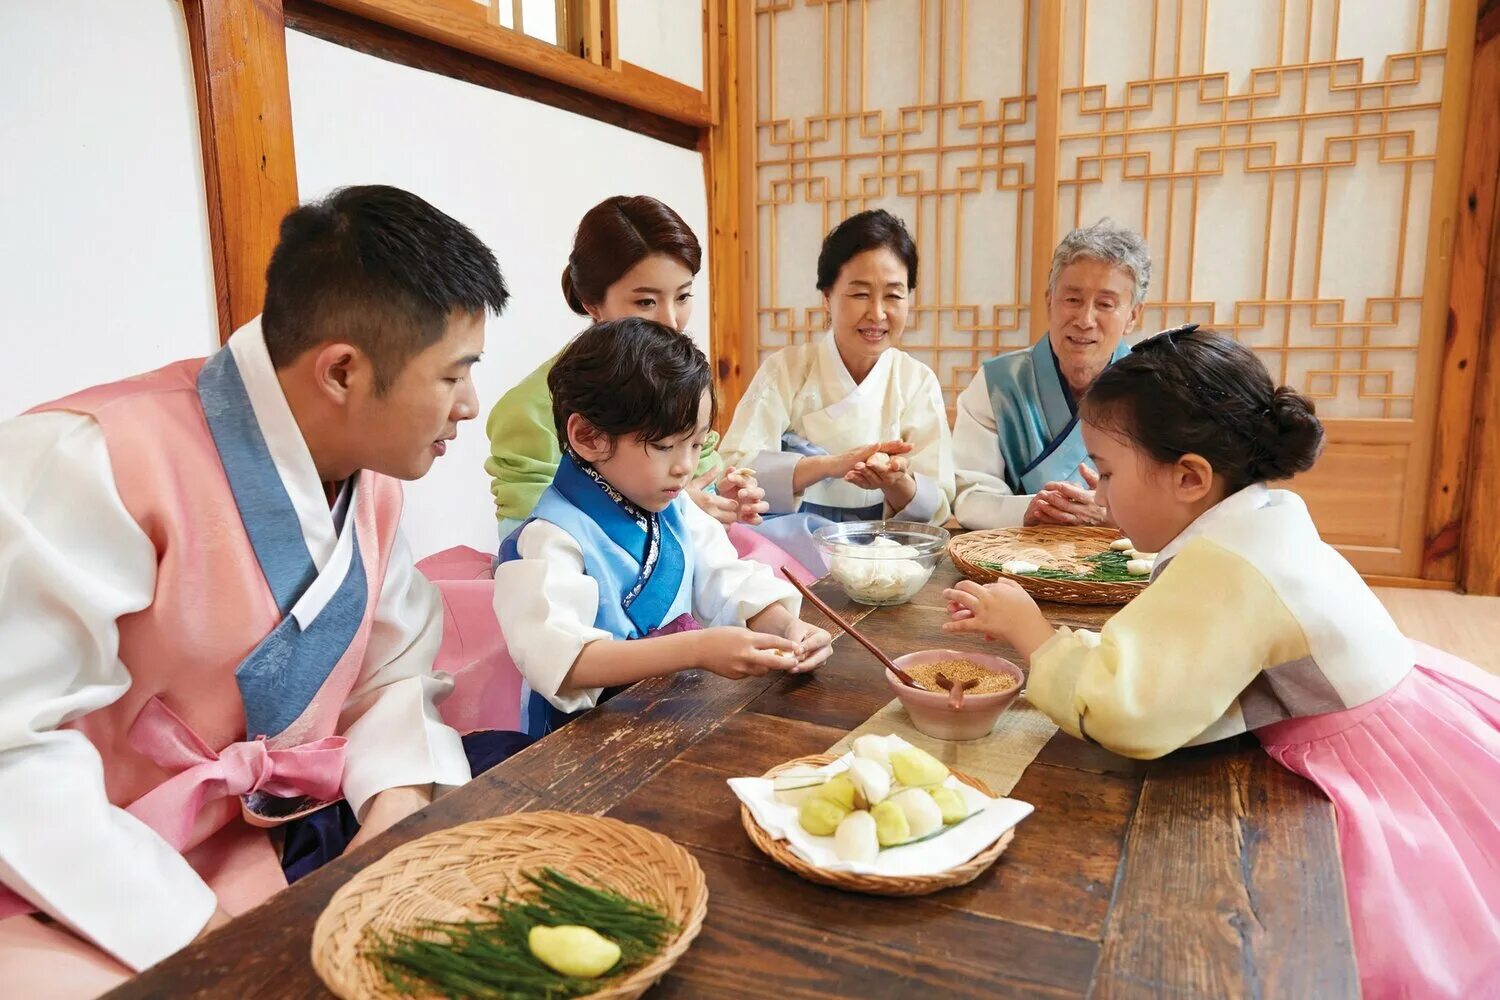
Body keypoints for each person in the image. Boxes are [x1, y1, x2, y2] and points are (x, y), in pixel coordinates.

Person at [0, 185, 517, 996]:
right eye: (454, 374)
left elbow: (392, 678)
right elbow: (11, 753)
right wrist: (202, 935)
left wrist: (392, 820)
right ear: (343, 370)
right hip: (80, 871)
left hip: (275, 837)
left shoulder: (370, 483)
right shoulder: (85, 462)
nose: (469, 405)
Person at [943, 327, 1500, 997]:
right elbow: (1181, 650)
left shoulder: (1229, 564)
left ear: (1190, 477)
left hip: (1368, 758)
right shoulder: (1261, 514)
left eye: (1109, 474)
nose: (1102, 494)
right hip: (1411, 715)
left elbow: (1131, 709)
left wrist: (1032, 633)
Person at [493, 318, 834, 739]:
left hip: (671, 715)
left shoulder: (677, 507)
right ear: (588, 436)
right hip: (580, 740)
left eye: (695, 444)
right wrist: (696, 649)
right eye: (663, 446)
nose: (686, 467)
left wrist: (787, 630)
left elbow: (726, 581)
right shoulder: (548, 538)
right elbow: (566, 662)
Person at [483, 196, 812, 577]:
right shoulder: (527, 410)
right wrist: (672, 515)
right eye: (645, 301)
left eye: (684, 296)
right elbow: (527, 541)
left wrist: (727, 496)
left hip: (701, 565)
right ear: (592, 302)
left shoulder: (687, 383)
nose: (671, 321)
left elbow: (703, 478)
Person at [718, 209, 954, 573]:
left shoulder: (916, 381)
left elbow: (935, 506)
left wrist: (895, 482)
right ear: (827, 296)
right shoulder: (787, 370)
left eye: (893, 295)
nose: (877, 313)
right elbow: (734, 471)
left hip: (885, 555)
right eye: (860, 293)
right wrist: (829, 466)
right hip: (786, 551)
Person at [952, 219, 1150, 528]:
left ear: (1133, 316)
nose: (1085, 319)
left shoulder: (1153, 389)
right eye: (1072, 299)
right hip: (1016, 558)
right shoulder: (998, 384)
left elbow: (1175, 502)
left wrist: (1112, 513)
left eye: (1105, 304)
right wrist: (1039, 508)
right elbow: (970, 498)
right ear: (1050, 302)